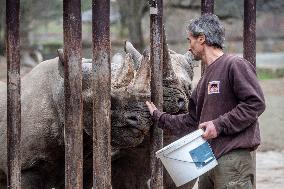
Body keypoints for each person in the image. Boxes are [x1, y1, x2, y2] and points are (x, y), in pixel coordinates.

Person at [146, 14, 265, 189]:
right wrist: (159, 117)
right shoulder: (203, 80)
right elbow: (192, 121)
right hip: (206, 159)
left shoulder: (234, 64)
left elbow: (255, 103)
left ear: (201, 39)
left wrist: (219, 125)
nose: (189, 47)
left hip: (232, 158)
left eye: (190, 40)